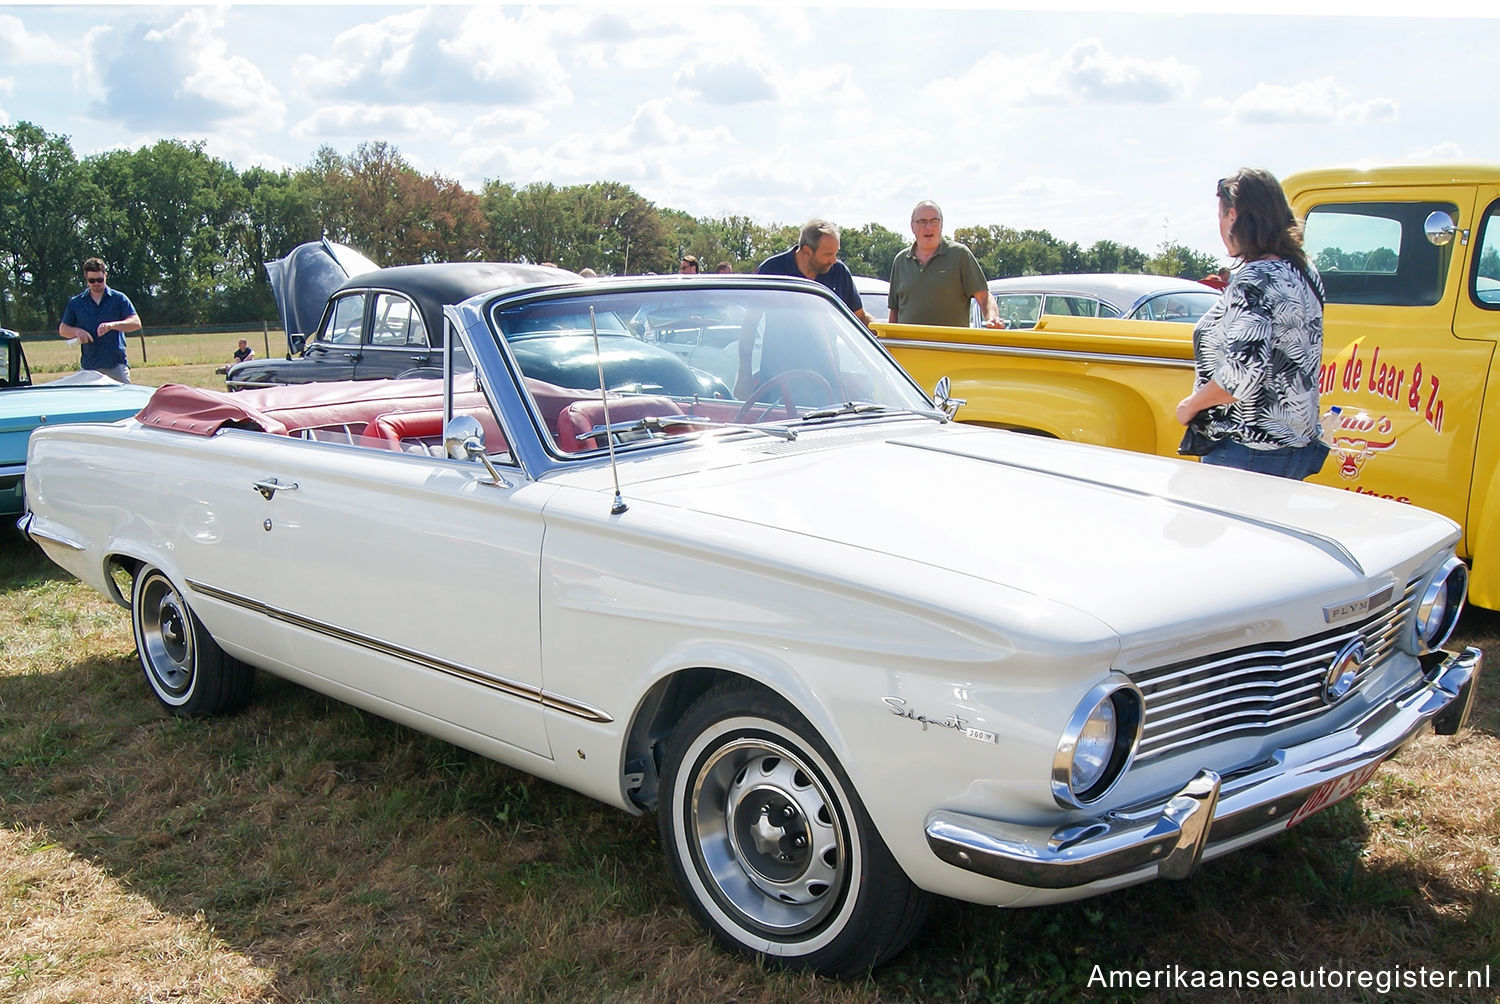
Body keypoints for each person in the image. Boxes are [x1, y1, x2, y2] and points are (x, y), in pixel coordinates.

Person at [1175, 168, 1327, 480]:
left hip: (1246, 448)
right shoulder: (1302, 271)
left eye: (1220, 216)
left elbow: (1240, 376)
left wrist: (1190, 406)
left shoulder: (1255, 278)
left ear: (1233, 216)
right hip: (1294, 445)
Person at [888, 201, 1000, 327]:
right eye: (922, 221)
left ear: (941, 225)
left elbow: (983, 296)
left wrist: (992, 317)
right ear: (912, 226)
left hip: (950, 345)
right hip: (909, 345)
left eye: (934, 221)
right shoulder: (900, 261)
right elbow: (894, 311)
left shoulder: (960, 255)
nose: (928, 227)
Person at [756, 219, 874, 326]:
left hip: (826, 349)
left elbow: (858, 317)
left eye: (835, 253)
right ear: (807, 251)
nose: (833, 260)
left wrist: (883, 332)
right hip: (778, 348)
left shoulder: (839, 272)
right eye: (828, 254)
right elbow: (752, 319)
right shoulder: (771, 270)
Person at [58, 257, 140, 382]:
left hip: (116, 364)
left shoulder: (119, 299)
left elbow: (135, 323)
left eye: (100, 280)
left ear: (105, 275)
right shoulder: (76, 302)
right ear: (86, 278)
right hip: (89, 366)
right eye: (92, 280)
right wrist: (78, 332)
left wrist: (112, 325)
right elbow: (63, 329)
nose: (96, 283)